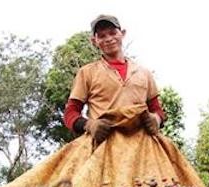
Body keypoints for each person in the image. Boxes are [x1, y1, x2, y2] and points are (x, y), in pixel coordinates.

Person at [64, 14, 165, 144]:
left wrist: (156, 119)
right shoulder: (87, 72)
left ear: (122, 34)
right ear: (94, 41)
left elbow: (157, 109)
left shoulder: (143, 73)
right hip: (103, 145)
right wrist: (89, 125)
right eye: (101, 36)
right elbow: (70, 113)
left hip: (143, 146)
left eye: (112, 33)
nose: (108, 39)